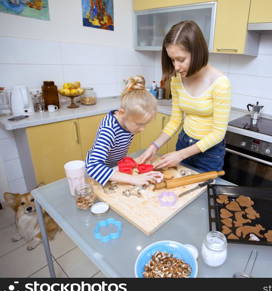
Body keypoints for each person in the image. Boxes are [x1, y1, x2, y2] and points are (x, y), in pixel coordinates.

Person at [138, 20, 231, 172]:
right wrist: (154, 146)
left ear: (197, 52)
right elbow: (175, 120)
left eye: (181, 59)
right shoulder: (176, 79)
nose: (176, 66)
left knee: (202, 195)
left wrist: (180, 155)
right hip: (183, 143)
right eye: (172, 59)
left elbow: (218, 133)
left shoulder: (220, 83)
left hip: (209, 154)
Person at [85, 75, 163, 186]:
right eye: (139, 124)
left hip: (115, 168)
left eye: (145, 124)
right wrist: (134, 179)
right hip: (100, 172)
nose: (142, 129)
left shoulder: (128, 121)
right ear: (122, 113)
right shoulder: (109, 130)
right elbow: (93, 167)